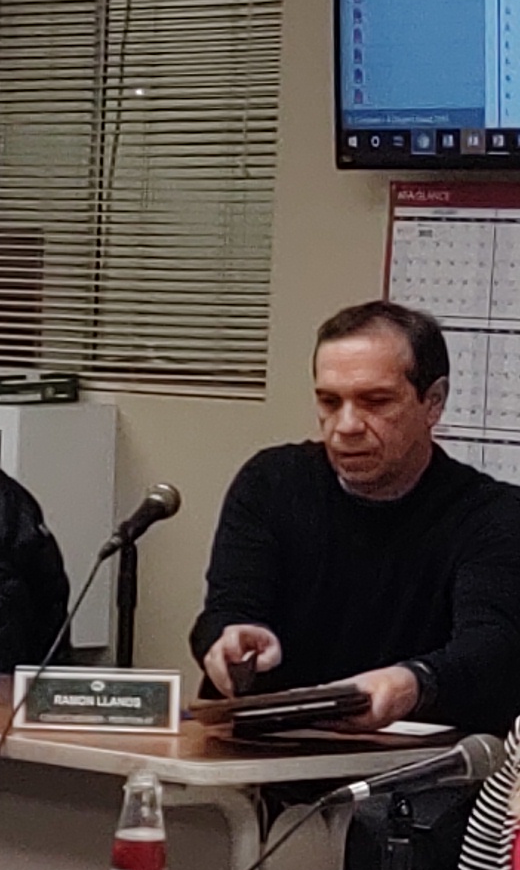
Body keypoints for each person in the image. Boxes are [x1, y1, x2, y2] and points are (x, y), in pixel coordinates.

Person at [193, 299, 520, 734]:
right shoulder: (272, 484)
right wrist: (231, 639)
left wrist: (413, 682)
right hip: (272, 756)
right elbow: (225, 611)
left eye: (375, 401)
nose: (346, 425)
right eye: (330, 401)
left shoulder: (491, 515)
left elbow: (492, 650)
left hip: (417, 771)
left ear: (433, 403)